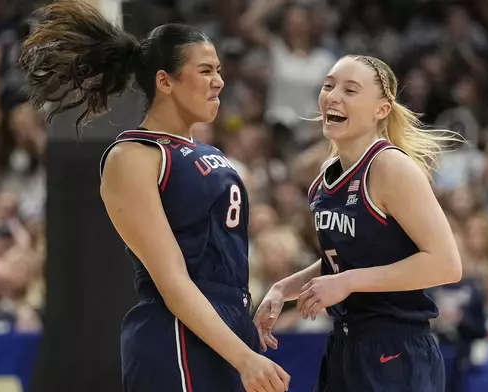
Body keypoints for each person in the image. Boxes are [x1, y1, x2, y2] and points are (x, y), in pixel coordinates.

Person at [19, 1, 290, 392]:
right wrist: (243, 356)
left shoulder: (210, 152)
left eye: (218, 71)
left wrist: (244, 325)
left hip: (227, 325)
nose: (219, 81)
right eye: (205, 71)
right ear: (165, 81)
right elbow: (173, 280)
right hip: (176, 333)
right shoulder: (133, 156)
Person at [254, 55, 463, 392]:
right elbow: (342, 263)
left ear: (381, 109)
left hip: (395, 350)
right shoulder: (325, 176)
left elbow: (446, 264)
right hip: (345, 346)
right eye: (329, 85)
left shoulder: (390, 167)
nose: (334, 96)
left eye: (351, 90)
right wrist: (283, 290)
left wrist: (349, 282)